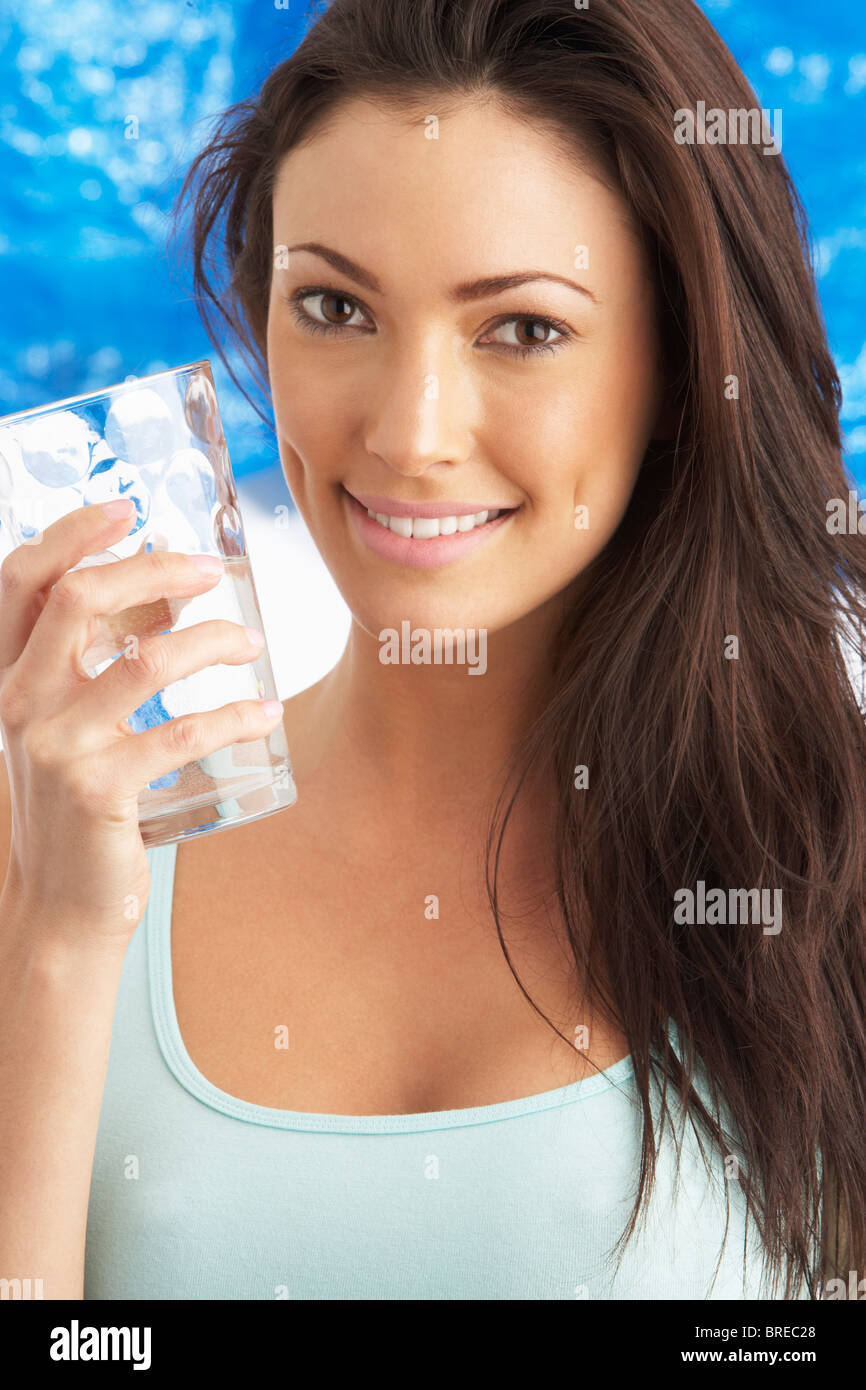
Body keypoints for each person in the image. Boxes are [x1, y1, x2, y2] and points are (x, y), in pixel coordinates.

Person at [1, 0, 864, 1301]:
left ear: (679, 366)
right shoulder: (56, 842)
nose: (408, 434)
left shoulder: (829, 858)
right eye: (335, 306)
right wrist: (60, 937)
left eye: (521, 328)